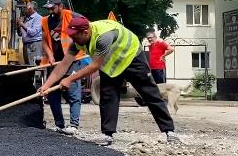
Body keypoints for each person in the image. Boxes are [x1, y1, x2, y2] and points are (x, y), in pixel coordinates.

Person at [40, 16, 180, 146]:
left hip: (131, 56)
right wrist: (46, 86)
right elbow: (63, 66)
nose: (73, 40)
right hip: (111, 63)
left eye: (75, 37)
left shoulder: (103, 37)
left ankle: (169, 131)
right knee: (108, 96)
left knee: (150, 93)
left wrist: (70, 79)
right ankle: (108, 135)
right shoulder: (76, 41)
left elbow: (94, 66)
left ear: (86, 32)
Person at [40, 0, 86, 135]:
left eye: (53, 8)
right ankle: (59, 124)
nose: (50, 11)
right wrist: (51, 56)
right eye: (48, 8)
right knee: (52, 94)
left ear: (60, 6)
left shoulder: (71, 16)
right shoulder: (45, 21)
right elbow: (44, 41)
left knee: (73, 91)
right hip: (56, 62)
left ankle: (73, 125)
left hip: (72, 59)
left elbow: (86, 27)